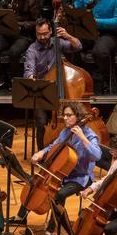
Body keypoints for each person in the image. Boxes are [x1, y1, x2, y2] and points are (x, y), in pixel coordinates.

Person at [11, 101, 102, 235]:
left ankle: (50, 229)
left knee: (59, 194)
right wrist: (42, 152)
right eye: (64, 115)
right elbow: (54, 146)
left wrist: (83, 138)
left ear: (78, 116)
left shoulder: (90, 136)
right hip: (61, 173)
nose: (64, 118)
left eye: (68, 115)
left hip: (80, 177)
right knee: (33, 180)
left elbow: (97, 156)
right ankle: (21, 216)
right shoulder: (66, 131)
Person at [23, 18, 82, 149]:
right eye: (39, 34)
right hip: (42, 94)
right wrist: (31, 77)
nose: (42, 37)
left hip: (60, 92)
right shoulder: (32, 50)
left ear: (50, 31)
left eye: (45, 33)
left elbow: (78, 46)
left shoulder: (58, 43)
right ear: (35, 33)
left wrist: (68, 36)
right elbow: (29, 68)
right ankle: (41, 154)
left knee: (74, 117)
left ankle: (71, 149)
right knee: (41, 122)